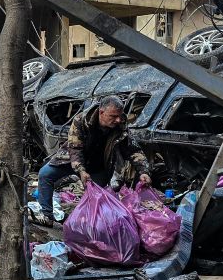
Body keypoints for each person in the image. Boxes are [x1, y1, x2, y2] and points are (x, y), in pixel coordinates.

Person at [37, 95, 152, 223]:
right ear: (101, 112)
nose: (118, 120)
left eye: (120, 116)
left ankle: (83, 224)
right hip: (71, 160)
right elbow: (75, 149)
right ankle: (47, 215)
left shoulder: (121, 127)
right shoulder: (81, 120)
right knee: (45, 174)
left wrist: (144, 172)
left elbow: (133, 150)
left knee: (96, 198)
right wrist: (81, 171)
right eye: (113, 116)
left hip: (98, 166)